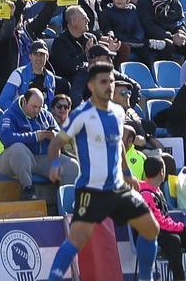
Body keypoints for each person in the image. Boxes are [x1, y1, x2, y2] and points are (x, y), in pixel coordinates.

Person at [44, 62, 159, 281]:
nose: (108, 86)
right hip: (91, 189)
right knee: (77, 240)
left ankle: (146, 279)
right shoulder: (82, 114)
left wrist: (126, 171)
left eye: (111, 82)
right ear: (91, 85)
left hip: (116, 188)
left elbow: (118, 145)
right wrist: (55, 164)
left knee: (151, 228)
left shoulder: (117, 112)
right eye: (103, 82)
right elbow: (55, 143)